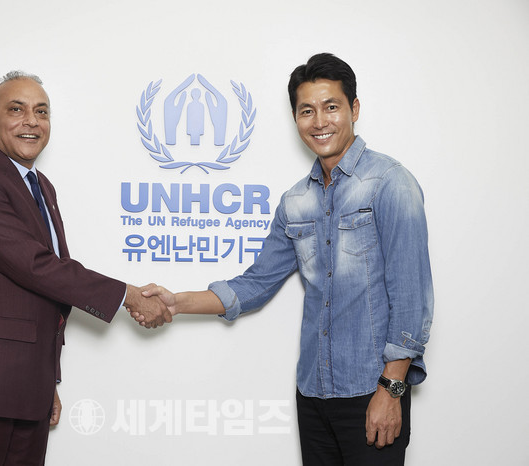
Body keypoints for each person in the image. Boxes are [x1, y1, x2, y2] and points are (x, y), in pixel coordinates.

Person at [137, 53, 433, 465]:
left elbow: (411, 298)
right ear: (295, 118)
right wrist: (176, 301)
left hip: (372, 390)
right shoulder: (295, 201)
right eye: (306, 110)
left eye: (331, 107)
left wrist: (392, 389)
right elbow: (255, 284)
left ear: (354, 109)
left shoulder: (390, 183)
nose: (320, 121)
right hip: (313, 393)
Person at [0, 71, 171, 465]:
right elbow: (35, 266)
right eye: (16, 109)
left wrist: (45, 382)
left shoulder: (40, 185)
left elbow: (49, 279)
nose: (32, 121)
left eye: (41, 112)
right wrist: (127, 295)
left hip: (27, 386)